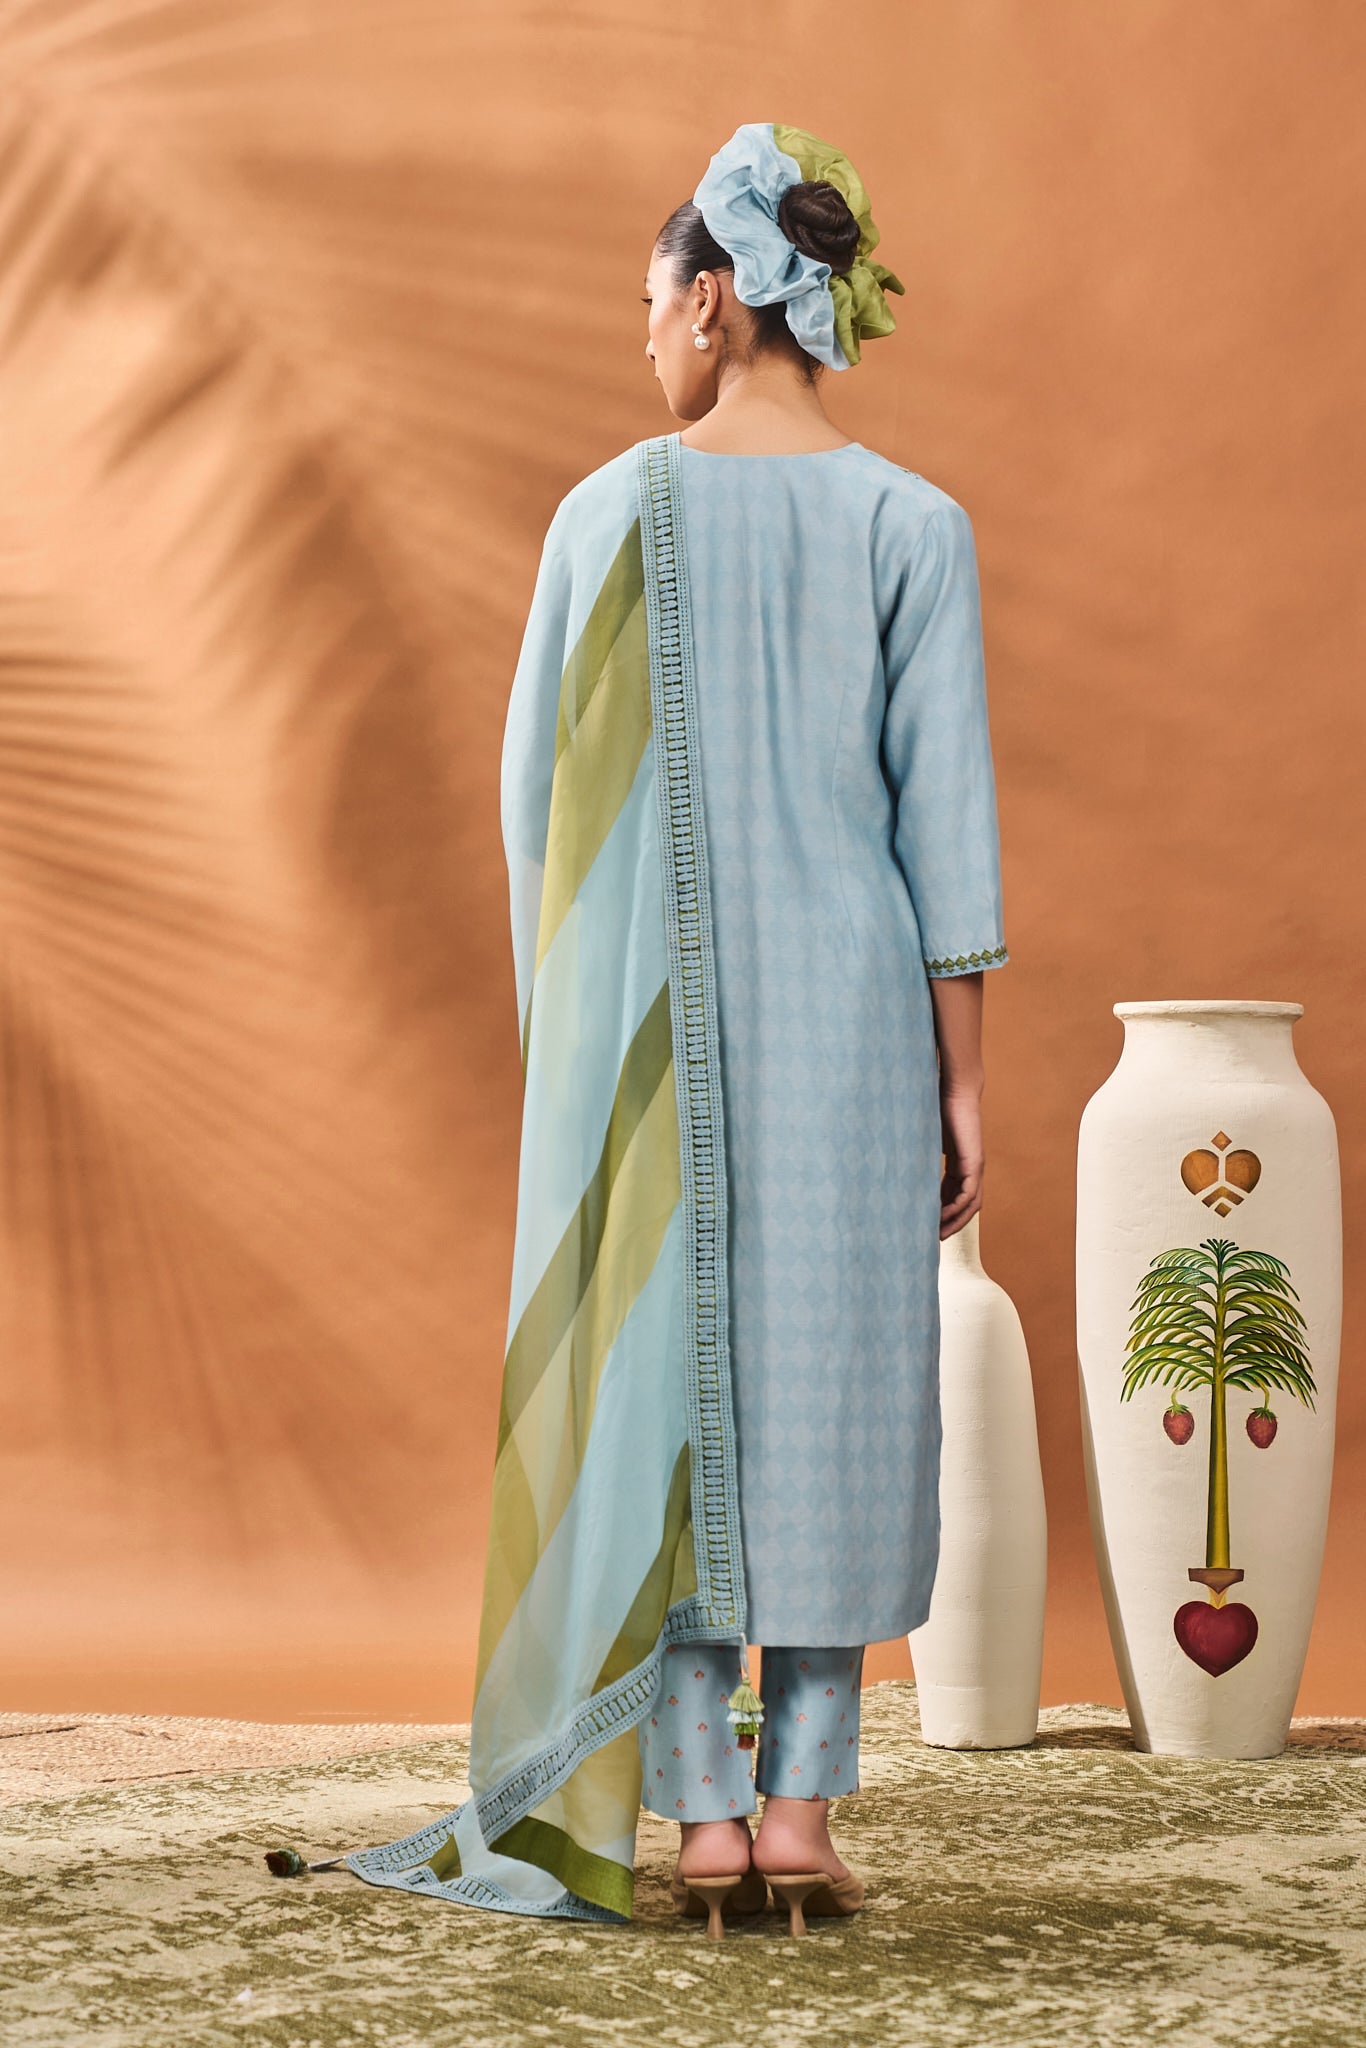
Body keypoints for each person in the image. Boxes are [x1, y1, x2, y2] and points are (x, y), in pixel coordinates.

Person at [324, 120, 1009, 1936]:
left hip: (653, 1040)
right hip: (854, 1025)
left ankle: (698, 1825)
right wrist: (962, 1081)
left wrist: (577, 1033)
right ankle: (799, 1821)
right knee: (835, 1402)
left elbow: (536, 811)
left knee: (667, 1410)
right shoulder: (911, 524)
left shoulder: (604, 516)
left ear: (713, 301)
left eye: (649, 303)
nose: (641, 338)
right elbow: (944, 828)